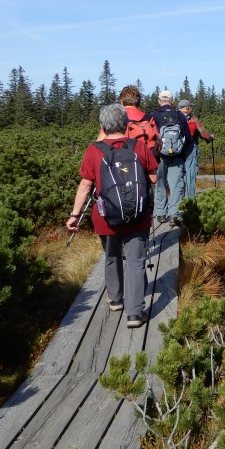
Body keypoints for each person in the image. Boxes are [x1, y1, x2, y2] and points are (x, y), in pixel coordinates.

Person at [66, 103, 158, 328]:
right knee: (136, 262)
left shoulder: (93, 150)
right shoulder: (138, 147)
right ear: (126, 125)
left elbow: (86, 186)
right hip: (138, 216)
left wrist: (74, 215)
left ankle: (116, 300)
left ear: (102, 126)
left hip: (106, 217)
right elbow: (154, 178)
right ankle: (135, 313)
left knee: (112, 256)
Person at [148, 90, 193, 223]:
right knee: (176, 185)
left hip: (160, 156)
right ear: (172, 101)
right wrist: (182, 153)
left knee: (160, 183)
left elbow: (150, 138)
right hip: (177, 156)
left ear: (159, 101)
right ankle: (174, 214)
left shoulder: (153, 116)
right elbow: (188, 138)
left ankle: (161, 213)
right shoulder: (179, 115)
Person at [98, 84, 158, 153]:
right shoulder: (148, 118)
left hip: (120, 158)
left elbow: (100, 142)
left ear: (121, 102)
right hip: (143, 158)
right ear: (138, 102)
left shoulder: (116, 117)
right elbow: (158, 142)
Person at [178, 99, 214, 199]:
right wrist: (210, 137)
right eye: (190, 106)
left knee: (180, 174)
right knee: (190, 173)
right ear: (187, 108)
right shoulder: (193, 118)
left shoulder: (175, 116)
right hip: (190, 149)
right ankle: (190, 199)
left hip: (176, 150)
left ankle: (179, 198)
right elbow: (203, 132)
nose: (192, 108)